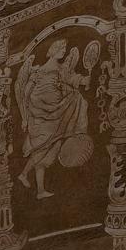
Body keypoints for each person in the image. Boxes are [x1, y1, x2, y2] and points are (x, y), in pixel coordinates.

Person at [15, 39, 90, 199]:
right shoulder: (39, 71)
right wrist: (25, 117)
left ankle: (37, 187)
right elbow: (26, 91)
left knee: (50, 146)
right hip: (39, 113)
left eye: (64, 49)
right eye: (61, 48)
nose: (63, 51)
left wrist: (83, 80)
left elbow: (72, 79)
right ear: (54, 49)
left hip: (56, 110)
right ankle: (26, 176)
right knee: (42, 146)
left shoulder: (61, 69)